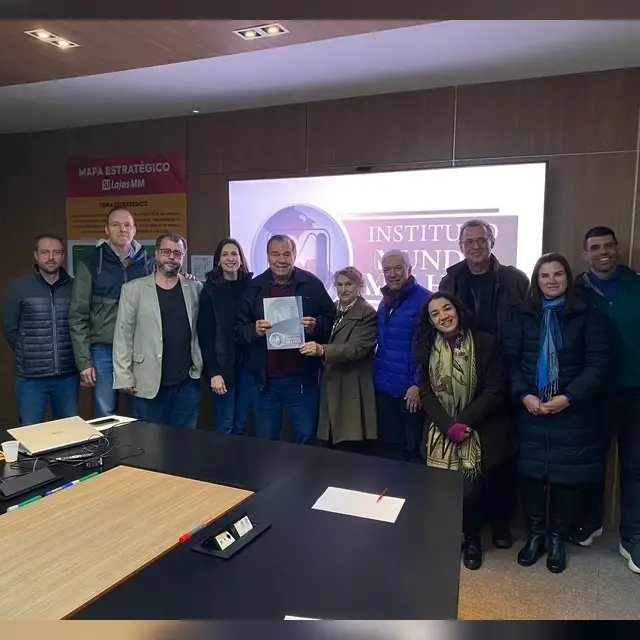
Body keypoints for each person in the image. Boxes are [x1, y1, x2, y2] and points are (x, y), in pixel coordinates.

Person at [502, 253, 609, 574]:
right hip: (530, 409)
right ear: (536, 281)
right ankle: (535, 537)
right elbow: (509, 361)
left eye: (558, 274)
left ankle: (557, 540)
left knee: (565, 478)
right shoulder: (522, 315)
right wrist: (524, 395)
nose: (551, 280)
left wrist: (569, 397)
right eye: (545, 275)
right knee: (532, 475)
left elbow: (598, 365)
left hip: (572, 412)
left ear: (568, 278)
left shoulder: (588, 316)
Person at [438, 218, 530, 549]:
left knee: (500, 456)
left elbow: (527, 324)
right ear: (460, 246)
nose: (475, 246)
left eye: (481, 240)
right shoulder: (450, 280)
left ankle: (501, 522)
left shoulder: (515, 280)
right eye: (469, 242)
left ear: (492, 242)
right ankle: (470, 530)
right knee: (467, 461)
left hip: (503, 376)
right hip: (461, 381)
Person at [415, 292, 515, 570]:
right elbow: (425, 391)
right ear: (430, 321)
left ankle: (472, 539)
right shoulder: (426, 347)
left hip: (482, 426)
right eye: (435, 313)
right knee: (444, 489)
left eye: (447, 309)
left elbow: (494, 390)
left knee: (471, 491)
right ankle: (450, 535)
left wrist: (464, 422)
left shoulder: (485, 342)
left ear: (458, 310)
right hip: (442, 427)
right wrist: (449, 426)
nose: (443, 316)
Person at [573, 226, 640, 574]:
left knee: (635, 466)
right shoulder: (576, 290)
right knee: (592, 460)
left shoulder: (636, 284)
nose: (603, 252)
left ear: (617, 249)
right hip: (593, 392)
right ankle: (591, 521)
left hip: (635, 390)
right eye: (595, 247)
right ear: (585, 254)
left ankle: (633, 536)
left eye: (608, 246)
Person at [235, 234, 335, 444]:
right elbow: (237, 329)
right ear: (267, 256)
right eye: (275, 254)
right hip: (265, 381)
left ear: (294, 255)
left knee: (306, 437)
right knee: (267, 439)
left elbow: (331, 319)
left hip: (301, 379)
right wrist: (253, 330)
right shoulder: (254, 287)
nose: (281, 259)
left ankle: (305, 468)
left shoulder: (311, 284)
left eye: (287, 254)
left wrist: (316, 325)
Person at [69, 207, 153, 417]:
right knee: (105, 415)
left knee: (141, 413)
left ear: (135, 230)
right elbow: (78, 315)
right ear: (106, 229)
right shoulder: (90, 264)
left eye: (127, 225)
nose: (122, 229)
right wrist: (84, 361)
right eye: (115, 224)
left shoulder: (149, 264)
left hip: (138, 352)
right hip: (103, 351)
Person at [112, 233, 203, 428]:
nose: (171, 257)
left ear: (183, 257)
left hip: (186, 384)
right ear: (156, 254)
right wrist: (123, 376)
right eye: (166, 252)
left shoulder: (195, 288)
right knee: (149, 442)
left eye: (177, 253)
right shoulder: (133, 290)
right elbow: (123, 336)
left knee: (186, 441)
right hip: (145, 383)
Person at [2, 234, 79, 425]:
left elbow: (81, 326)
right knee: (30, 432)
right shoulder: (18, 288)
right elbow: (10, 329)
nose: (51, 257)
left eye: (56, 252)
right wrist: (28, 352)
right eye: (45, 252)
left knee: (69, 432)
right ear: (36, 255)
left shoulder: (75, 287)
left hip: (67, 375)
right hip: (31, 378)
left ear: (62, 256)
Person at [301, 266, 377, 452]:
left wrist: (322, 350)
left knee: (349, 446)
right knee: (329, 444)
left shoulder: (367, 313)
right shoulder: (333, 309)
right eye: (339, 285)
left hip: (351, 387)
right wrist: (314, 328)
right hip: (330, 382)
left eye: (349, 284)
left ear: (360, 287)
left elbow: (356, 348)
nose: (343, 289)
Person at [374, 249, 431, 463]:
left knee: (413, 450)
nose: (392, 274)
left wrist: (417, 384)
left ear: (410, 269)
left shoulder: (425, 299)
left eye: (398, 268)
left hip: (410, 393)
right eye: (387, 269)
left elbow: (428, 348)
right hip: (384, 389)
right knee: (390, 448)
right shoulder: (385, 300)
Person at [197, 238, 258, 435]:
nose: (230, 258)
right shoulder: (209, 291)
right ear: (218, 260)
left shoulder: (253, 287)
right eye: (225, 254)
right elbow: (205, 336)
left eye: (234, 254)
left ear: (241, 258)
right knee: (225, 424)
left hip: (249, 367)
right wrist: (213, 373)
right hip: (222, 369)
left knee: (242, 424)